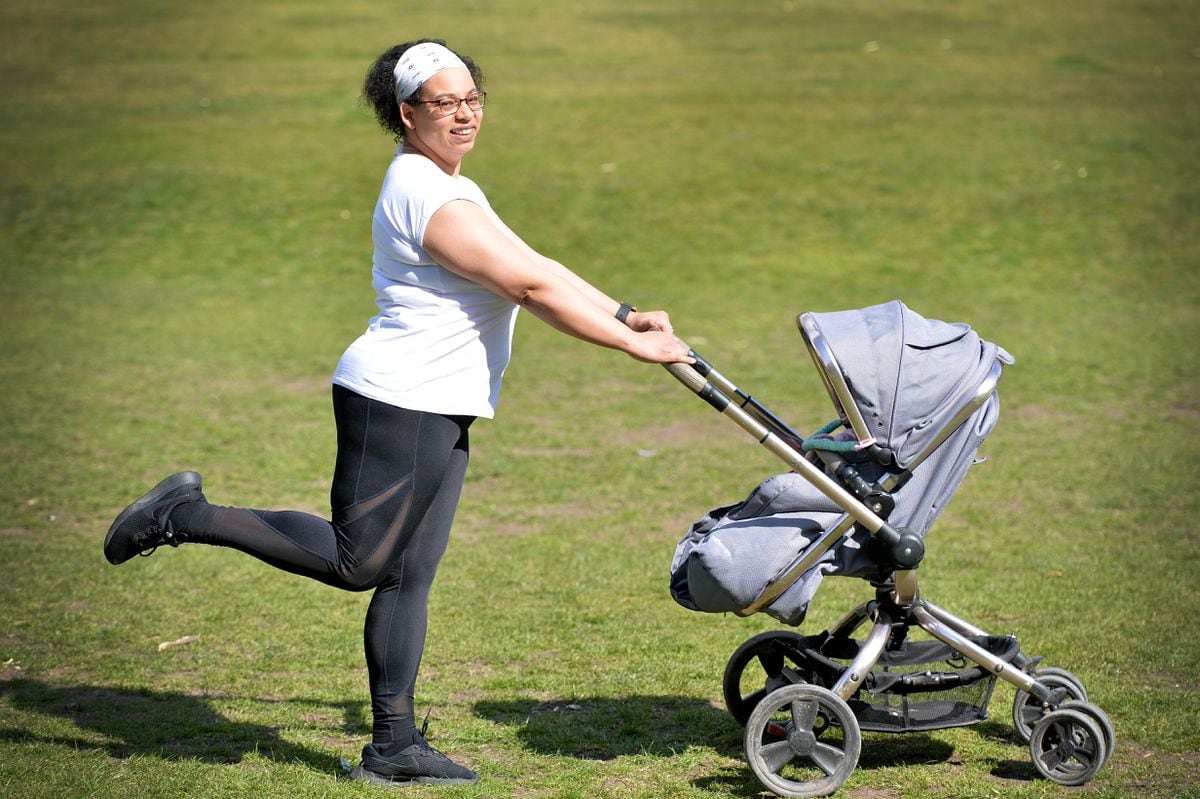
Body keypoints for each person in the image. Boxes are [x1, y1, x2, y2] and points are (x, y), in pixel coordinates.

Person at [103, 39, 692, 788]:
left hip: (441, 405)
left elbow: (538, 262)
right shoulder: (425, 191)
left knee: (407, 575)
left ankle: (394, 745)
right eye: (445, 103)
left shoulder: (455, 185)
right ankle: (182, 514)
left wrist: (626, 313)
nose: (465, 112)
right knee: (361, 562)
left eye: (472, 97)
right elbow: (530, 290)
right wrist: (632, 348)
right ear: (407, 113)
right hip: (398, 400)